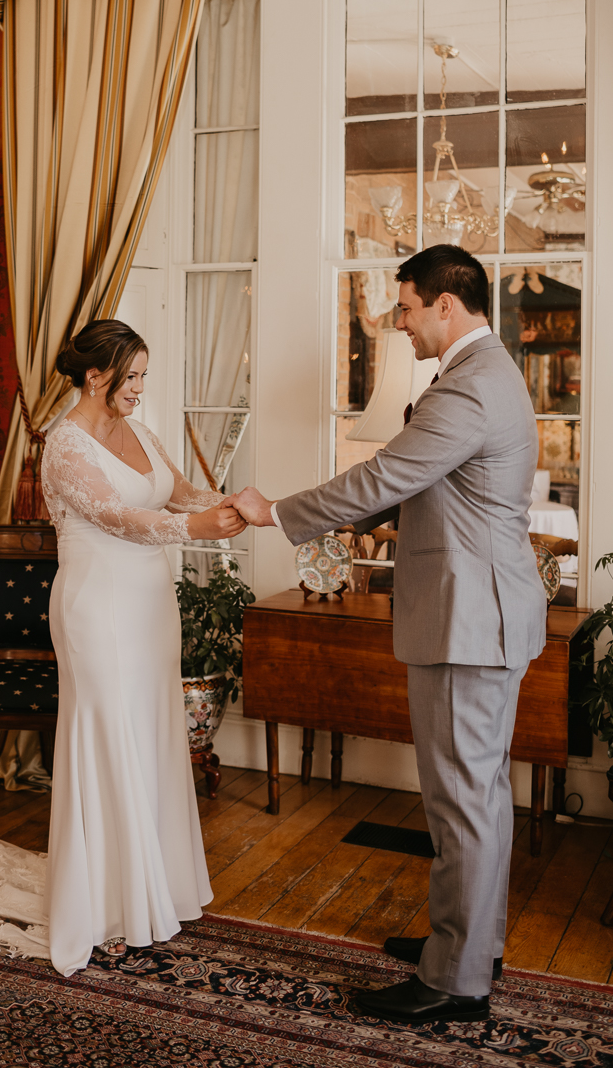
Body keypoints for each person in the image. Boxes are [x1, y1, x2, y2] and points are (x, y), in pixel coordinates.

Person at [232, 245, 546, 1025]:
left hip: (469, 622)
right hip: (479, 614)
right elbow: (420, 487)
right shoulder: (482, 374)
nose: (398, 323)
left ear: (446, 304)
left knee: (462, 803)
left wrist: (278, 513)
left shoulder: (471, 386)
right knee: (476, 799)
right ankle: (472, 944)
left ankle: (457, 983)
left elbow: (388, 475)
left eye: (405, 308)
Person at [40, 319, 246, 975]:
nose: (138, 389)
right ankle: (107, 904)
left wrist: (233, 505)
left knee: (151, 736)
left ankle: (158, 889)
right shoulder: (64, 445)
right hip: (96, 607)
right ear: (95, 376)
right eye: (130, 377)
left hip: (151, 606)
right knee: (110, 738)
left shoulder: (142, 432)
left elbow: (179, 492)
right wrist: (196, 526)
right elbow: (119, 517)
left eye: (143, 377)